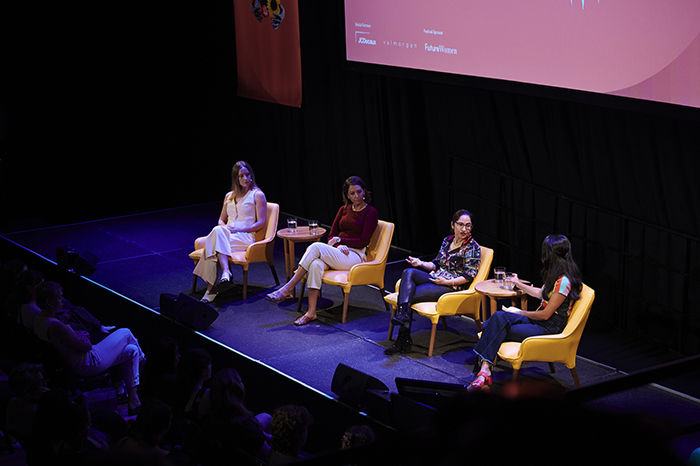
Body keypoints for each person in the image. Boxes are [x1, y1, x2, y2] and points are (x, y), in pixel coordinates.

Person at [469, 234, 583, 391]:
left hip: (549, 326)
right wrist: (517, 283)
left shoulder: (564, 281)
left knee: (492, 326)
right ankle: (485, 370)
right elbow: (540, 293)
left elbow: (545, 315)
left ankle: (483, 372)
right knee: (497, 317)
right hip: (540, 320)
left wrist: (520, 312)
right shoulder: (556, 274)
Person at [267, 176, 378, 326]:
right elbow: (332, 235)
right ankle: (311, 312)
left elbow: (363, 241)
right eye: (352, 193)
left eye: (359, 192)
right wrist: (338, 245)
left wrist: (340, 240)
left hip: (355, 255)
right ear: (347, 195)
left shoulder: (370, 212)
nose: (356, 196)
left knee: (315, 247)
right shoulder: (343, 210)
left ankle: (289, 287)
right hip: (339, 252)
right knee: (315, 265)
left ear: (364, 191)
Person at [32, 281, 146, 414]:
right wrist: (82, 335)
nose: (63, 300)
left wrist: (76, 334)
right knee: (125, 332)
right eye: (59, 297)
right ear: (49, 303)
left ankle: (133, 400)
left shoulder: (39, 320)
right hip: (87, 362)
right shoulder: (56, 326)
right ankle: (145, 363)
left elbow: (70, 339)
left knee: (132, 350)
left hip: (76, 361)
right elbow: (86, 346)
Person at [385, 209, 481, 355]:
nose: (464, 229)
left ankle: (402, 340)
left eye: (468, 225)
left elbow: (469, 276)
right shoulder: (447, 240)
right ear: (453, 225)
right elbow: (436, 263)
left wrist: (447, 282)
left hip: (452, 286)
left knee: (407, 296)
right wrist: (421, 263)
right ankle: (403, 314)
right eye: (460, 224)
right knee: (408, 272)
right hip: (437, 278)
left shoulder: (473, 247)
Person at [193, 161, 268, 303]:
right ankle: (224, 273)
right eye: (241, 176)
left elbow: (261, 222)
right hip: (227, 235)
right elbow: (221, 220)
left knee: (212, 243)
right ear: (236, 178)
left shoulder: (257, 195)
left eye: (247, 175)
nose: (245, 178)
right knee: (218, 230)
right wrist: (225, 227)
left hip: (245, 236)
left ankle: (212, 287)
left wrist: (239, 228)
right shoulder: (229, 196)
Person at [201, 368, 272, 463]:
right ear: (238, 391)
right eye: (240, 382)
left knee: (266, 416)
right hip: (244, 451)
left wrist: (265, 435)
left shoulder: (209, 416)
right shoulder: (246, 429)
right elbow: (270, 458)